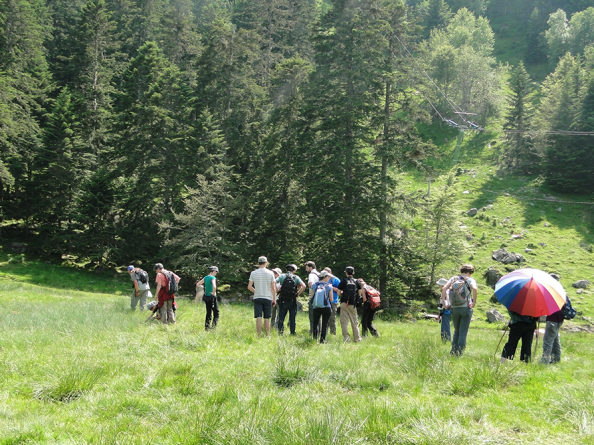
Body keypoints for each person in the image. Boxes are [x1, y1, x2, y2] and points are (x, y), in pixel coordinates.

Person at [441, 264, 478, 356]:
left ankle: (453, 350)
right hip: (466, 308)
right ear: (471, 272)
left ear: (461, 271)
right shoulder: (470, 280)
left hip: (454, 308)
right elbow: (474, 288)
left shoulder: (454, 279)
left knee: (456, 331)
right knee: (463, 331)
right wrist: (473, 302)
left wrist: (444, 303)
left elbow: (444, 288)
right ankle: (460, 352)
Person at [247, 256, 277, 336]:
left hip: (257, 297)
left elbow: (249, 287)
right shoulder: (270, 273)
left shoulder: (253, 273)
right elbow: (273, 288)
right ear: (266, 263)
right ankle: (268, 335)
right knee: (267, 317)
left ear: (258, 263)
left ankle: (259, 334)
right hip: (267, 297)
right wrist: (274, 299)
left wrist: (255, 291)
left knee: (258, 316)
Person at [276, 264, 306, 335]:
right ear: (294, 271)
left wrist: (277, 291)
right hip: (292, 300)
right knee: (292, 317)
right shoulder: (296, 277)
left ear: (286, 270)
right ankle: (292, 332)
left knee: (281, 316)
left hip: (283, 299)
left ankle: (280, 332)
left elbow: (274, 282)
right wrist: (297, 294)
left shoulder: (282, 276)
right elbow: (304, 286)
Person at [337, 266, 362, 342]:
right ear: (353, 273)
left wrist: (342, 293)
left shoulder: (343, 281)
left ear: (346, 273)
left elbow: (338, 293)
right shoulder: (357, 282)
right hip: (353, 304)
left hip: (344, 304)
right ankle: (357, 338)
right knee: (354, 321)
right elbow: (359, 294)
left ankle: (346, 338)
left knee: (344, 322)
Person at [311, 270, 333, 343]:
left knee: (315, 323)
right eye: (328, 277)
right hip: (326, 307)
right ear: (325, 277)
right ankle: (322, 340)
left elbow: (312, 297)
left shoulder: (314, 285)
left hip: (316, 307)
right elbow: (331, 299)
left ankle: (314, 339)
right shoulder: (329, 286)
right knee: (324, 324)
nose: (329, 278)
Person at [197, 266, 219, 330]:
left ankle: (206, 328)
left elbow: (198, 284)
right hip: (212, 297)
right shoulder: (213, 277)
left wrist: (203, 287)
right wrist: (213, 293)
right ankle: (213, 328)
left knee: (208, 312)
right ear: (214, 271)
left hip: (206, 297)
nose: (216, 273)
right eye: (216, 272)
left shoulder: (205, 277)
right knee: (216, 313)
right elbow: (214, 287)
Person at [305, 261, 321, 335]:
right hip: (320, 298)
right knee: (319, 316)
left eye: (307, 268)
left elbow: (311, 285)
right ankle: (319, 330)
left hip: (313, 297)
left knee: (312, 316)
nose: (306, 269)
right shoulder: (319, 274)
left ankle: (313, 331)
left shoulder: (311, 275)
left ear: (311, 268)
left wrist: (312, 297)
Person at [324, 267, 341, 336]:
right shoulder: (324, 279)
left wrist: (331, 287)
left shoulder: (336, 280)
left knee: (332, 318)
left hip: (333, 301)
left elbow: (340, 291)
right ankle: (325, 332)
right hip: (325, 301)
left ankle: (333, 333)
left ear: (330, 272)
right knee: (325, 317)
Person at [436, 278, 451, 342]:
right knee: (445, 325)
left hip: (445, 311)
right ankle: (445, 339)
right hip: (444, 311)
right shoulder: (448, 291)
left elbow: (446, 302)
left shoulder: (446, 292)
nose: (439, 286)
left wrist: (444, 309)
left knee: (445, 326)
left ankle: (446, 339)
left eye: (439, 285)